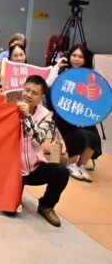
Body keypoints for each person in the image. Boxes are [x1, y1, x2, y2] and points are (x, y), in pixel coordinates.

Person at [16, 75, 69, 227]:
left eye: (34, 93)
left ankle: (46, 205)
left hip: (34, 168)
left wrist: (27, 116)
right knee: (10, 210)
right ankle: (10, 194)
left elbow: (38, 140)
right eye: (27, 90)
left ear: (42, 97)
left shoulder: (46, 115)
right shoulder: (10, 107)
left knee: (61, 172)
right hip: (13, 170)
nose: (29, 95)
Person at [53, 45, 102, 182]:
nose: (76, 59)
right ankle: (71, 164)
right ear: (69, 56)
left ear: (85, 59)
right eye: (74, 55)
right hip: (63, 113)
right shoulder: (61, 71)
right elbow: (50, 87)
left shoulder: (89, 76)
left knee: (94, 135)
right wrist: (56, 68)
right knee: (78, 133)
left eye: (80, 57)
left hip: (81, 112)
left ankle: (81, 165)